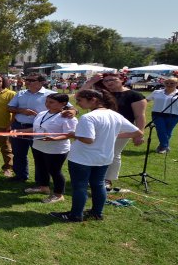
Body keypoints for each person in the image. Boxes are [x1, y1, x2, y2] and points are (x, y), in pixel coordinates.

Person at [50, 89, 142, 222]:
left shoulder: (88, 117)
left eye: (80, 100)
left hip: (82, 158)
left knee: (80, 186)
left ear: (93, 100)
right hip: (103, 157)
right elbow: (137, 132)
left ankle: (75, 215)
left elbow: (88, 139)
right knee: (98, 184)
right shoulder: (114, 114)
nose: (77, 103)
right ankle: (96, 213)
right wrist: (113, 135)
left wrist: (72, 135)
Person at [7, 73, 76, 182]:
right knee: (18, 153)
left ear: (41, 82)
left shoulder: (51, 94)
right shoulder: (21, 93)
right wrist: (22, 111)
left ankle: (41, 182)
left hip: (40, 129)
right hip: (19, 126)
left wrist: (72, 112)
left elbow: (71, 108)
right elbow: (10, 107)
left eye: (32, 80)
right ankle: (20, 176)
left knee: (39, 155)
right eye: (27, 79)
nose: (28, 82)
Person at [81, 73, 145, 190]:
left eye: (113, 80)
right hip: (100, 126)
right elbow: (80, 96)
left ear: (122, 80)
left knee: (114, 154)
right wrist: (90, 82)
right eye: (105, 81)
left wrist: (139, 134)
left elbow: (139, 116)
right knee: (96, 152)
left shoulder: (134, 95)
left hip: (121, 129)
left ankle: (107, 179)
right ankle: (95, 177)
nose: (109, 83)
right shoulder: (102, 93)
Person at [14, 93, 77, 203]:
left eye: (51, 102)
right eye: (46, 101)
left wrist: (53, 139)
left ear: (63, 104)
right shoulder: (42, 113)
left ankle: (58, 194)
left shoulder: (67, 118)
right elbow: (36, 128)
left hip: (56, 149)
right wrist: (20, 131)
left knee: (54, 171)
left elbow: (71, 134)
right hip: (39, 146)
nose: (47, 104)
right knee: (41, 167)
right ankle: (43, 187)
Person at [146, 77, 178, 154]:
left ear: (177, 83)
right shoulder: (156, 92)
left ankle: (162, 145)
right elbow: (146, 100)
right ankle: (164, 147)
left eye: (172, 83)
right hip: (157, 114)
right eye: (167, 83)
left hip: (175, 115)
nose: (169, 84)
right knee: (161, 130)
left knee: (168, 132)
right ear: (164, 83)